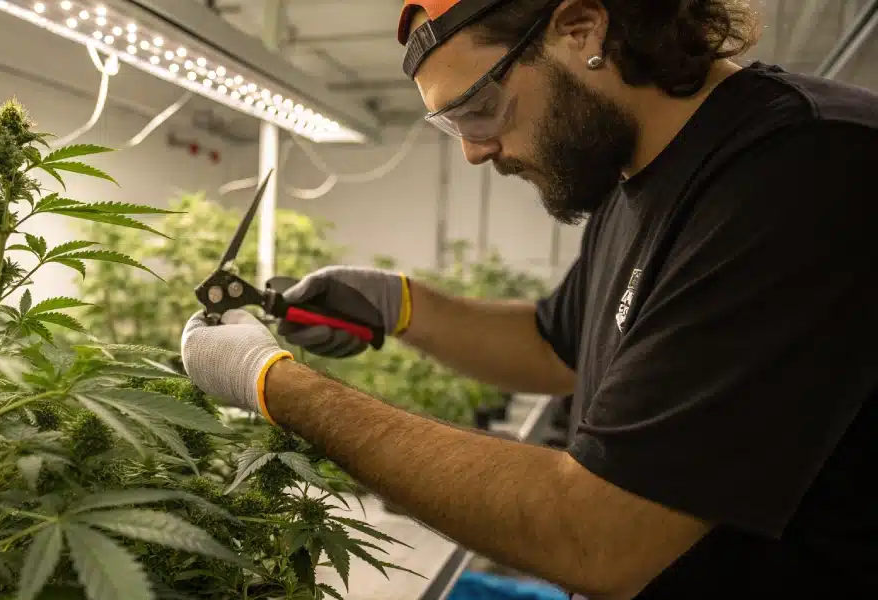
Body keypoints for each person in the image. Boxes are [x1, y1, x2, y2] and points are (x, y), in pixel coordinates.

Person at [179, 0, 878, 597]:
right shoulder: (636, 175)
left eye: (478, 109)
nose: (475, 152)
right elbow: (557, 346)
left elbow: (597, 533)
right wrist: (399, 304)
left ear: (581, 28)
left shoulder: (802, 171)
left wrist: (274, 386)